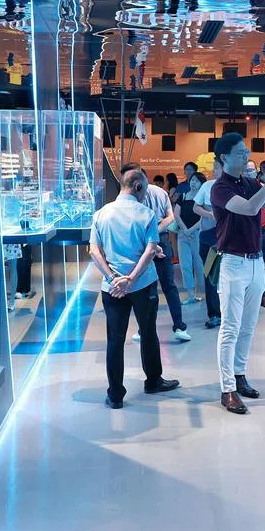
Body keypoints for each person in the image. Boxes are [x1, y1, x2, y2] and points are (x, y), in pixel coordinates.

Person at [90, 167, 180, 409]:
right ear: (138, 187)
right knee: (149, 332)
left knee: (114, 340)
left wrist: (113, 278)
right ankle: (153, 381)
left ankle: (116, 394)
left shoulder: (101, 214)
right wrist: (131, 279)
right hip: (142, 284)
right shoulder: (146, 214)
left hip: (112, 288)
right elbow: (150, 249)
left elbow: (94, 250)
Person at [210, 133, 265, 414]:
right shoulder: (220, 189)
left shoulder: (251, 182)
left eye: (246, 151)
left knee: (248, 327)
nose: (246, 155)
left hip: (255, 265)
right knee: (230, 328)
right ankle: (227, 388)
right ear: (224, 157)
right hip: (233, 262)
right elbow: (250, 208)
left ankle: (240, 375)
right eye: (240, 152)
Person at [124, 163, 191, 342]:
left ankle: (144, 330)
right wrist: (159, 229)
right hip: (161, 239)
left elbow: (137, 221)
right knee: (168, 285)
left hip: (145, 242)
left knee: (147, 287)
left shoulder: (137, 193)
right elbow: (170, 216)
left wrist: (153, 233)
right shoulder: (161, 192)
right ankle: (179, 327)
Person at [193, 159, 225, 328]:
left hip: (228, 237)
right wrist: (209, 214)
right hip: (208, 237)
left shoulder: (236, 187)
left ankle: (229, 313)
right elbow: (195, 208)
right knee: (211, 275)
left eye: (216, 167)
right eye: (213, 167)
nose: (213, 170)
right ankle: (214, 314)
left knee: (228, 276)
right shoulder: (207, 186)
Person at [176, 171, 207, 302]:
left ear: (201, 183)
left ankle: (203, 293)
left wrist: (191, 230)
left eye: (196, 181)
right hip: (183, 235)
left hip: (197, 234)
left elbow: (204, 217)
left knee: (199, 265)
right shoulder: (183, 196)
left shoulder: (203, 198)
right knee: (185, 265)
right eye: (192, 180)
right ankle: (190, 294)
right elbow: (176, 214)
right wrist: (185, 230)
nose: (193, 182)